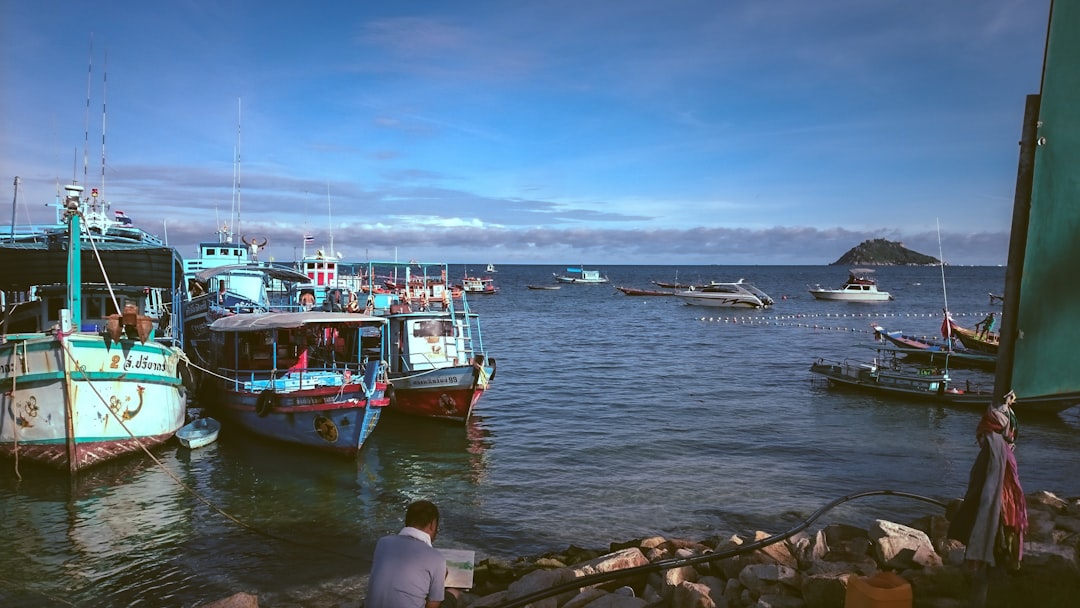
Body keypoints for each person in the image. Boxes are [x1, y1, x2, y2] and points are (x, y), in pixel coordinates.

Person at [947, 390, 1027, 606]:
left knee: (986, 556)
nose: (980, 438)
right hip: (1000, 516)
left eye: (982, 434)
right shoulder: (1005, 456)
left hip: (992, 520)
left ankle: (979, 587)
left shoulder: (992, 457)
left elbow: (976, 495)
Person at [366, 500, 458, 608]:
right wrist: (439, 582)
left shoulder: (382, 542)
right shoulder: (437, 559)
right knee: (454, 593)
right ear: (433, 524)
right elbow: (432, 606)